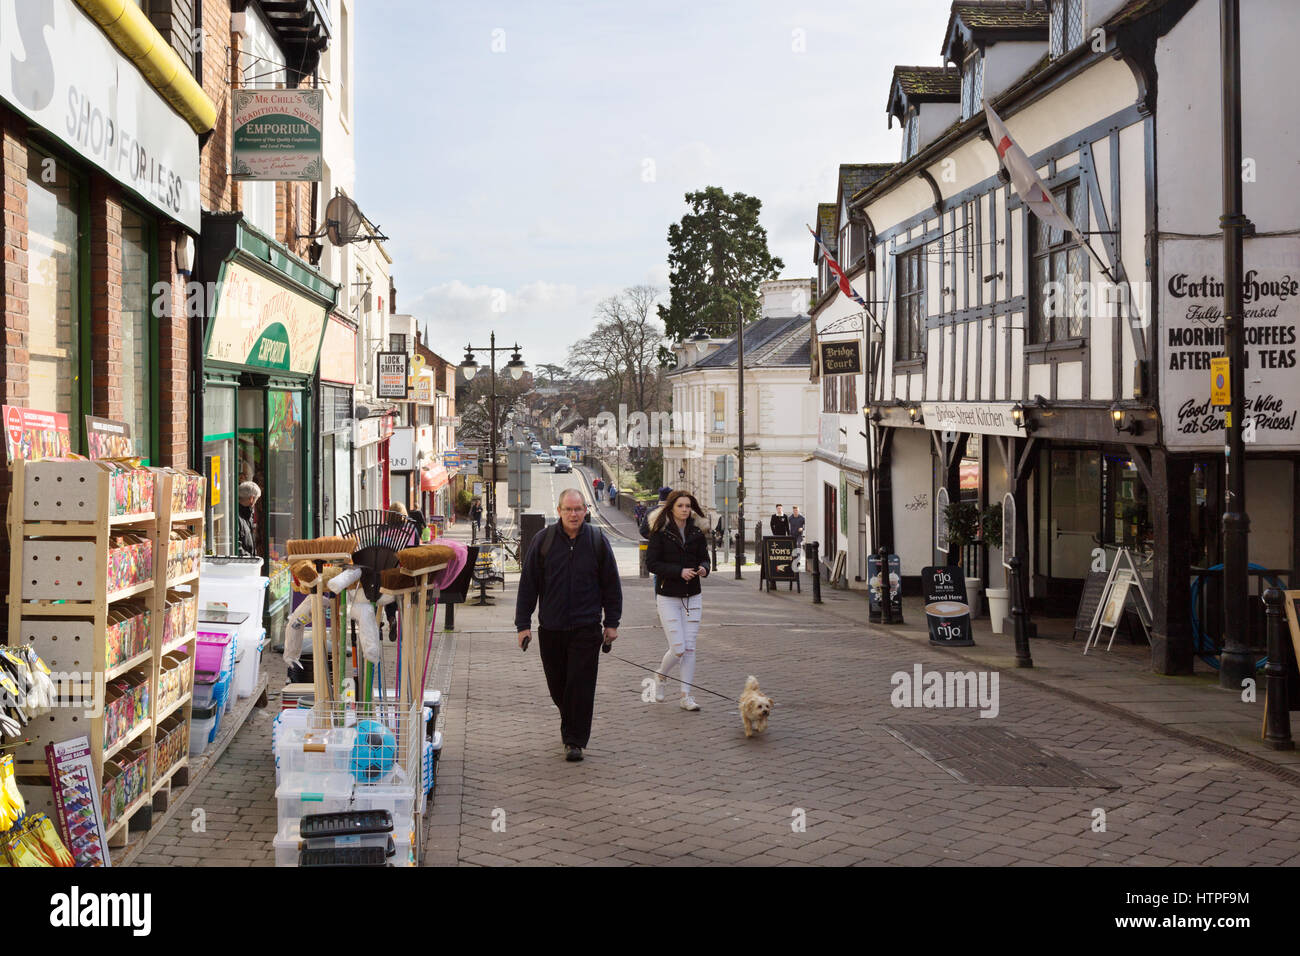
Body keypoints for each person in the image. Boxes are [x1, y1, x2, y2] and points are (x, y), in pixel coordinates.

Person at [516, 489, 622, 762]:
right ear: (560, 511)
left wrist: (611, 623)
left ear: (586, 510)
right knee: (558, 686)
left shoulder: (598, 542)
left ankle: (574, 741)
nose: (574, 514)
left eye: (578, 509)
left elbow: (611, 585)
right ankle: (570, 721)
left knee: (581, 684)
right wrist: (523, 624)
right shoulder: (543, 541)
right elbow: (528, 586)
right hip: (551, 627)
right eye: (568, 509)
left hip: (586, 628)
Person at [645, 490, 711, 711]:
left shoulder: (696, 532)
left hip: (693, 596)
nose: (685, 509)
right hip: (668, 596)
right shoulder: (660, 532)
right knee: (679, 647)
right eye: (681, 506)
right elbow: (652, 564)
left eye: (688, 506)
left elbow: (705, 557)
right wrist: (678, 571)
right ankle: (661, 675)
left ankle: (686, 696)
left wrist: (704, 568)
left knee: (690, 648)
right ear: (671, 507)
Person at [237, 481, 260, 557]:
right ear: (251, 499)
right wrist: (250, 559)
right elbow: (237, 547)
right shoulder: (238, 517)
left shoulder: (247, 515)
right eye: (256, 499)